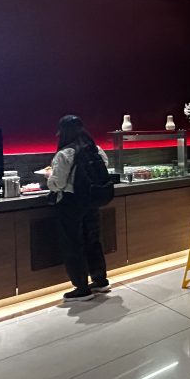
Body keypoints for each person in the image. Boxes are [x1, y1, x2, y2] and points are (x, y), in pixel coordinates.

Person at [45, 115, 111, 302]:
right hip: (91, 201)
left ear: (63, 132)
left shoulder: (65, 154)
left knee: (73, 244)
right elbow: (105, 167)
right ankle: (100, 280)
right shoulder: (95, 149)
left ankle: (82, 288)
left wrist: (49, 176)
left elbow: (57, 184)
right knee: (93, 240)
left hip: (71, 203)